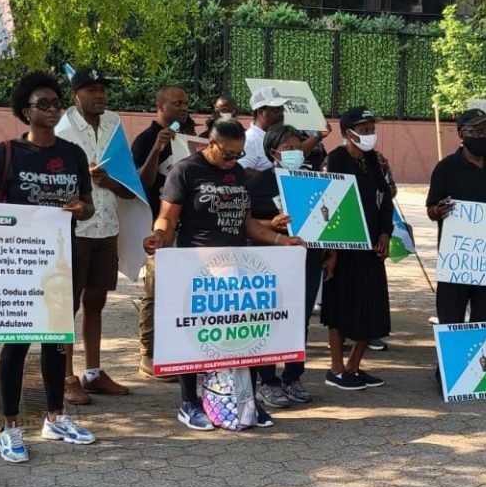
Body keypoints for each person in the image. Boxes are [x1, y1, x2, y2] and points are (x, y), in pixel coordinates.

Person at [144, 120, 300, 429]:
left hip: (237, 265)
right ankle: (189, 402)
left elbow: (249, 224)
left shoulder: (238, 173)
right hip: (197, 265)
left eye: (239, 155)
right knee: (195, 337)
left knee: (244, 333)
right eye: (228, 154)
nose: (234, 161)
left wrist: (283, 241)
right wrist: (158, 238)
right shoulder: (186, 171)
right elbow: (166, 217)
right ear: (210, 144)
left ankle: (246, 401)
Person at [0, 72, 99, 461]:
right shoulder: (7, 153)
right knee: (16, 344)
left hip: (60, 258)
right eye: (42, 104)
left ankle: (55, 417)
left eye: (55, 103)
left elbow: (89, 205)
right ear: (25, 111)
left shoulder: (73, 154)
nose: (52, 109)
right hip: (17, 261)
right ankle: (10, 426)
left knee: (54, 341)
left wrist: (81, 209)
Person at [55, 67, 133, 405]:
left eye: (103, 89)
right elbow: (53, 179)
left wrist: (109, 182)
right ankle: (65, 377)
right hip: (75, 228)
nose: (99, 95)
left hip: (107, 226)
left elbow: (124, 174)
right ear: (76, 95)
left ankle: (93, 373)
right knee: (66, 306)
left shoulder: (115, 123)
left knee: (96, 301)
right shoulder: (63, 128)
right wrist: (83, 180)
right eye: (91, 89)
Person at [248, 124, 334, 406]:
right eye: (288, 148)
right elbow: (247, 223)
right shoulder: (259, 183)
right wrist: (271, 226)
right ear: (273, 152)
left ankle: (293, 376)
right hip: (272, 261)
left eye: (298, 146)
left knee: (300, 320)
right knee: (271, 319)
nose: (295, 152)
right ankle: (267, 380)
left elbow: (329, 220)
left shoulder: (312, 179)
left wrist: (331, 252)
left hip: (308, 260)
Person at [321, 107, 394, 390]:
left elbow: (385, 198)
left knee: (372, 305)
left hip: (371, 245)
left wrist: (385, 232)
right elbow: (330, 202)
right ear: (348, 133)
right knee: (340, 306)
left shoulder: (374, 160)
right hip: (343, 247)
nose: (369, 135)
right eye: (363, 130)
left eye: (371, 129)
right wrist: (332, 252)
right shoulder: (335, 160)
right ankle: (337, 368)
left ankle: (355, 365)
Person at [427, 109, 486, 325]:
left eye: (485, 130)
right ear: (462, 135)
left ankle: (482, 358)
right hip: (456, 259)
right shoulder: (446, 168)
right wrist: (439, 209)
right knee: (451, 318)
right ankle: (450, 359)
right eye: (476, 131)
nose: (482, 135)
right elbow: (431, 210)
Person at [130, 85, 194, 379]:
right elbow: (139, 184)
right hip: (159, 225)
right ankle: (149, 354)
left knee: (184, 291)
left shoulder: (191, 133)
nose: (184, 107)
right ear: (160, 106)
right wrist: (157, 148)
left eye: (186, 103)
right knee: (156, 291)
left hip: (191, 225)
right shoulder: (146, 139)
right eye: (177, 103)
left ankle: (179, 351)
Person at [241, 87, 289, 171]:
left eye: (282, 110)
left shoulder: (280, 136)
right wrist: (272, 177)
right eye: (276, 110)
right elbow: (243, 170)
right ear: (260, 112)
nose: (281, 114)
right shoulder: (250, 140)